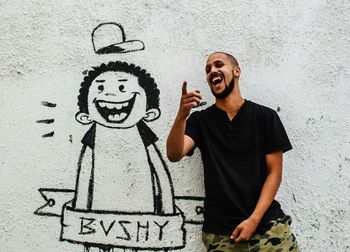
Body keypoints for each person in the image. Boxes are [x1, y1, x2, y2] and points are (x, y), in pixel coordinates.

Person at [166, 52, 299, 251]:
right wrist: (182, 116)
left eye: (219, 65)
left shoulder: (265, 117)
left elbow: (275, 173)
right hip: (221, 233)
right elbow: (174, 154)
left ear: (236, 71)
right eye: (208, 69)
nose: (213, 71)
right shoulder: (200, 122)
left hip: (267, 227)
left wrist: (253, 220)